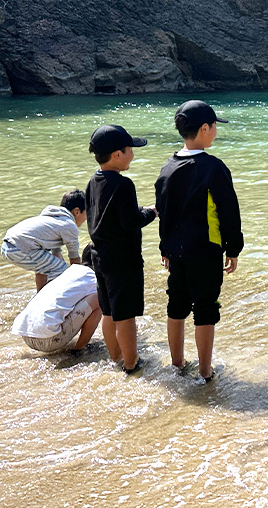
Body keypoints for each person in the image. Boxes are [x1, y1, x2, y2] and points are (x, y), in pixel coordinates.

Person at [155, 100, 244, 383]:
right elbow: (228, 211)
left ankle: (177, 364)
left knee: (176, 305)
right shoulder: (213, 168)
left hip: (176, 252)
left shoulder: (167, 167)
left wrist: (164, 248)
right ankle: (205, 371)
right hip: (206, 251)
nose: (216, 132)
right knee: (206, 307)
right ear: (205, 128)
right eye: (215, 127)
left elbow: (162, 211)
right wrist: (234, 248)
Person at [85, 125, 157, 374]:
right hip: (123, 259)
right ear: (117, 154)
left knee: (109, 311)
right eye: (129, 151)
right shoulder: (124, 186)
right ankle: (131, 363)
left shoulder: (93, 181)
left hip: (100, 256)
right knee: (126, 315)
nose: (132, 155)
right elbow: (130, 222)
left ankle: (115, 357)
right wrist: (151, 212)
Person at [11, 244, 102, 353]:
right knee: (99, 297)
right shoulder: (93, 278)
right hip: (49, 340)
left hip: (26, 335)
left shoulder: (71, 272)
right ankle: (80, 348)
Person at [1, 189, 87, 292]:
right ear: (77, 211)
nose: (87, 217)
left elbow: (56, 253)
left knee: (45, 267)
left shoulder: (54, 219)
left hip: (8, 246)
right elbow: (74, 260)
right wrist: (84, 281)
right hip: (19, 248)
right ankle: (56, 299)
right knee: (61, 271)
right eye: (87, 213)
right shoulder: (69, 225)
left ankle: (39, 296)